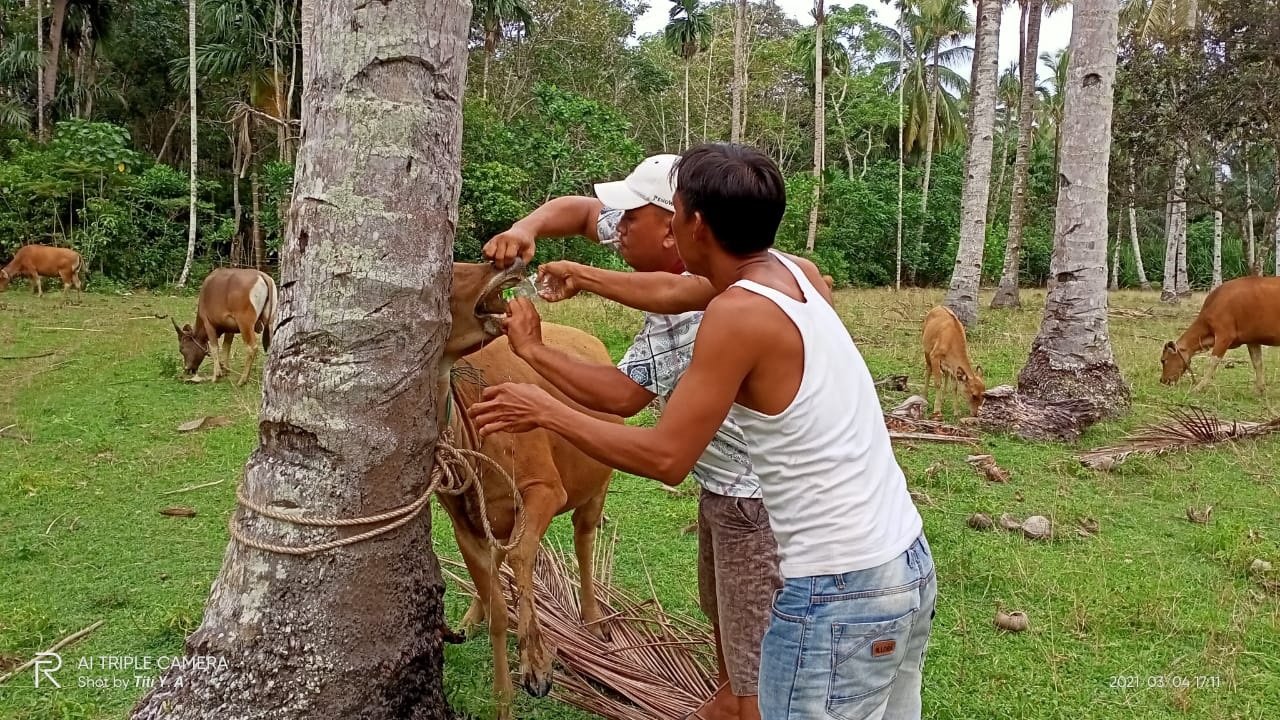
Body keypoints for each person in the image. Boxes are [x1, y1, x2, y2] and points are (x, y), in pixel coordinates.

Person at [473, 143, 936, 720]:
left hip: (839, 588)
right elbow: (669, 291)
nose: (622, 231)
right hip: (902, 561)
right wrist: (575, 284)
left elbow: (667, 457)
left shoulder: (735, 318)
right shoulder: (790, 271)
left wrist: (545, 408)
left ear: (689, 225)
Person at [483, 154, 783, 720]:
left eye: (629, 221)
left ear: (679, 227)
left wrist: (537, 372)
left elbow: (630, 408)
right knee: (733, 658)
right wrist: (527, 229)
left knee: (754, 687)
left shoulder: (713, 315)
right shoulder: (755, 266)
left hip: (757, 505)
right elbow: (579, 212)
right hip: (726, 496)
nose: (614, 229)